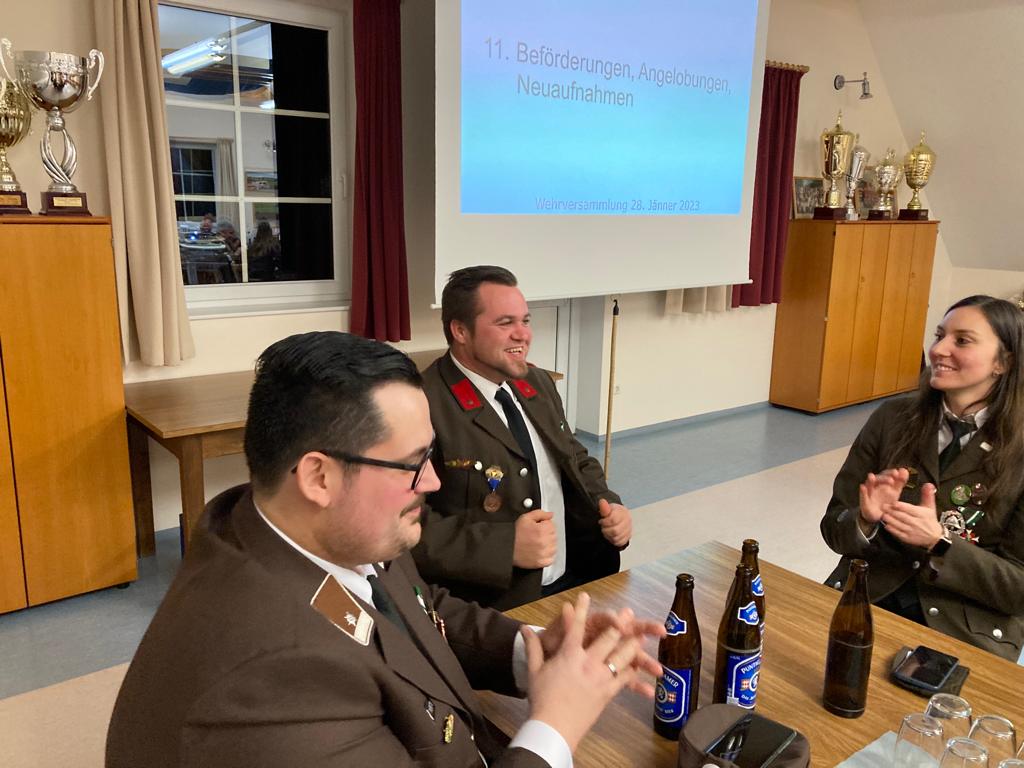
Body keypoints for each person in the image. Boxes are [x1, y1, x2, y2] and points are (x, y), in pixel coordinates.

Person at [106, 331, 664, 768]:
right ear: (318, 477)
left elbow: (416, 611)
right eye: (413, 464)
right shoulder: (271, 684)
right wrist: (555, 726)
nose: (433, 482)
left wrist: (535, 648)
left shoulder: (306, 527)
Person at [414, 266, 633, 610]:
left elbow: (573, 456)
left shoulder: (536, 381)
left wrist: (609, 503)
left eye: (526, 321)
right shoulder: (423, 403)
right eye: (505, 323)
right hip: (501, 604)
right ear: (460, 330)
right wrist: (503, 548)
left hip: (579, 575)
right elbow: (405, 527)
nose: (523, 335)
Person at [822, 295, 1024, 661]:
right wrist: (864, 519)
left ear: (1003, 362)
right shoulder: (892, 417)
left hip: (964, 626)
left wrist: (940, 543)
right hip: (868, 597)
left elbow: (1018, 590)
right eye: (940, 335)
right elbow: (834, 529)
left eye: (962, 340)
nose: (939, 350)